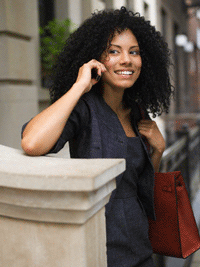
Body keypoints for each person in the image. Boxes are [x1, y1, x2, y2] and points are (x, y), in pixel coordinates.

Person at [21, 7, 173, 267]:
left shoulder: (137, 112)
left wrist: (157, 151)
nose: (126, 60)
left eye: (133, 52)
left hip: (140, 248)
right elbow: (32, 142)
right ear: (97, 59)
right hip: (99, 250)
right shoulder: (84, 108)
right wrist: (79, 86)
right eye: (114, 51)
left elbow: (140, 188)